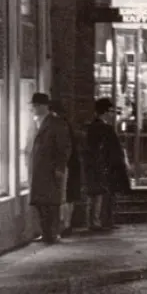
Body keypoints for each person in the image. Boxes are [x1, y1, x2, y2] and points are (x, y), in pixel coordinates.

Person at [28, 93, 72, 244]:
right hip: (40, 170)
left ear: (42, 106)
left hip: (50, 170)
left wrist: (59, 167)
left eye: (34, 106)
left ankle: (51, 233)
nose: (32, 109)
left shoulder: (55, 123)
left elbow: (64, 148)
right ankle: (46, 233)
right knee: (41, 203)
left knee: (50, 203)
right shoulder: (38, 122)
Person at [84, 98, 130, 231]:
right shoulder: (104, 128)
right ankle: (100, 221)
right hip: (105, 167)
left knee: (98, 195)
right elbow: (112, 150)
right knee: (102, 194)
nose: (112, 115)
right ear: (105, 112)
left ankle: (97, 221)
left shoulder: (92, 127)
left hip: (98, 166)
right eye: (110, 111)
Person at [50, 101, 82, 237]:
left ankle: (65, 225)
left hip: (66, 166)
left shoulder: (59, 126)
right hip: (72, 164)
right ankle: (67, 224)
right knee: (69, 197)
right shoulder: (66, 124)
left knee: (65, 196)